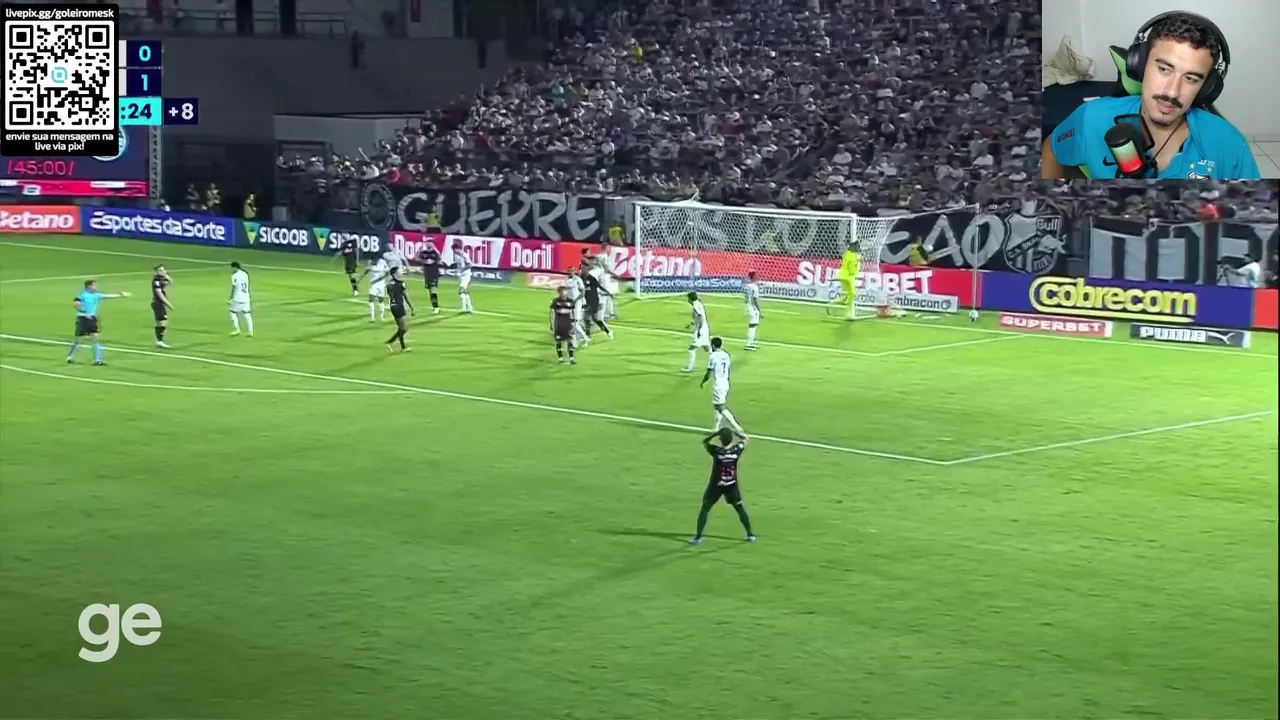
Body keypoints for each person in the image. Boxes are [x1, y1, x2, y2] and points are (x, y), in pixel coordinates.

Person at [1042, 12, 1259, 180]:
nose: (1172, 91)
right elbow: (1052, 148)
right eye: (1164, 69)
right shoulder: (1092, 118)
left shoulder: (1230, 145)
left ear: (1206, 88)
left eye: (1191, 78)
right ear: (1140, 65)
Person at [690, 427, 756, 545]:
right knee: (739, 508)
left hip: (716, 485)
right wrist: (736, 432)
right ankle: (750, 534)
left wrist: (714, 434)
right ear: (731, 439)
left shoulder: (717, 452)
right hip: (731, 485)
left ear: (720, 439)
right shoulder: (736, 450)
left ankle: (698, 537)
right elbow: (746, 439)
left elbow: (705, 442)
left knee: (705, 508)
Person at [67, 280, 130, 365]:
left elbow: (107, 296)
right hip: (82, 319)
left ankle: (98, 360)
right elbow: (76, 304)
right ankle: (70, 357)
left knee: (95, 338)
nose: (96, 287)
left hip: (92, 318)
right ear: (89, 286)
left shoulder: (96, 295)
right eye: (94, 285)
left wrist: (120, 295)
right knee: (78, 340)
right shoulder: (82, 295)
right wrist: (84, 312)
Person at [701, 337, 747, 434]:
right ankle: (716, 427)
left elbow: (708, 372)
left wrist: (703, 381)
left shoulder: (713, 356)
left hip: (718, 385)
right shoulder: (726, 355)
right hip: (725, 383)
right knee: (717, 406)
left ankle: (737, 427)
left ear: (713, 345)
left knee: (720, 407)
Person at [580, 264, 614, 341]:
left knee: (590, 318)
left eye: (583, 269)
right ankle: (590, 335)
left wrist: (608, 293)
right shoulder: (581, 279)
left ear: (587, 270)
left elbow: (599, 286)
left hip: (594, 301)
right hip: (587, 301)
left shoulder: (591, 278)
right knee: (592, 319)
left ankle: (589, 336)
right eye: (581, 269)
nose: (582, 271)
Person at [385, 267, 416, 352]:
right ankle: (389, 342)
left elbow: (390, 293)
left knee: (400, 328)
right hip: (399, 306)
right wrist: (412, 308)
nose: (401, 273)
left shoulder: (389, 284)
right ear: (395, 274)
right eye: (399, 272)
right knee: (404, 328)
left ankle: (403, 347)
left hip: (393, 306)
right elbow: (406, 296)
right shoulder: (401, 283)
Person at [683, 291, 711, 372]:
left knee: (691, 348)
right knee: (706, 348)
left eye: (688, 298)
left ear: (690, 299)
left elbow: (700, 317)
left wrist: (699, 330)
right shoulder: (698, 303)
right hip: (705, 327)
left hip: (701, 328)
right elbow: (697, 317)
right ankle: (714, 362)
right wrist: (691, 324)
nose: (687, 300)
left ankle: (690, 367)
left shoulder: (695, 305)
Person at [549, 286, 577, 364]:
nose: (564, 293)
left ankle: (571, 358)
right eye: (562, 291)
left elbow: (572, 313)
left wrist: (573, 323)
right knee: (559, 341)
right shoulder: (556, 301)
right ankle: (560, 358)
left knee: (569, 340)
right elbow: (552, 313)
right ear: (559, 293)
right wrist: (552, 324)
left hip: (568, 323)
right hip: (559, 324)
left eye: (565, 291)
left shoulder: (570, 301)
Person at [564, 266, 590, 346]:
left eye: (571, 271)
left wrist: (575, 301)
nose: (570, 272)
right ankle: (580, 339)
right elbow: (568, 292)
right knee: (573, 323)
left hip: (578, 303)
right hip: (571, 303)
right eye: (569, 271)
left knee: (575, 323)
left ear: (574, 271)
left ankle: (585, 338)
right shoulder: (567, 280)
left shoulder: (578, 280)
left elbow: (583, 292)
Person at [360, 256, 390, 321]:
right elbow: (365, 272)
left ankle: (381, 317)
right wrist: (358, 281)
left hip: (381, 285)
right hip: (373, 285)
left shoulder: (382, 262)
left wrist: (381, 278)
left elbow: (388, 271)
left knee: (381, 300)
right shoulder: (370, 263)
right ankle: (372, 318)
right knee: (371, 300)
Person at [229, 262, 254, 337]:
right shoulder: (245, 274)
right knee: (247, 313)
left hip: (238, 298)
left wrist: (230, 298)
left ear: (235, 267)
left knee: (232, 312)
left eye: (232, 268)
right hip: (246, 297)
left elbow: (234, 287)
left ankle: (237, 329)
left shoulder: (234, 276)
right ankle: (251, 331)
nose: (231, 270)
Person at [150, 264, 172, 348]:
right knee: (162, 322)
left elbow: (170, 282)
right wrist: (168, 304)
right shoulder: (156, 280)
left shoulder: (161, 278)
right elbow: (159, 294)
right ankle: (159, 341)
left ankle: (160, 340)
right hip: (158, 303)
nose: (163, 272)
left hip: (160, 304)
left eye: (163, 270)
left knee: (162, 322)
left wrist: (166, 276)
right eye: (160, 270)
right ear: (156, 272)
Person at [417, 242, 442, 314]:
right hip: (427, 273)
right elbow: (417, 259)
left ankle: (436, 307)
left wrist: (435, 249)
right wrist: (420, 252)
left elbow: (440, 259)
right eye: (427, 243)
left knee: (433, 289)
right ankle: (434, 306)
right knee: (430, 291)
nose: (429, 244)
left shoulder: (435, 252)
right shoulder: (423, 252)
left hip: (434, 273)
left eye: (430, 243)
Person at [452, 240, 475, 314]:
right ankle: (469, 307)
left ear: (458, 249)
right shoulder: (456, 255)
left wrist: (462, 269)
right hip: (461, 276)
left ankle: (464, 307)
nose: (454, 251)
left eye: (455, 250)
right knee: (465, 292)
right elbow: (457, 264)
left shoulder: (465, 255)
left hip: (466, 275)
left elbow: (469, 265)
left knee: (461, 291)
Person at [837, 246, 860, 319]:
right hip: (848, 276)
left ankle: (833, 303)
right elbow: (852, 268)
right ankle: (849, 312)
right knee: (852, 293)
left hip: (843, 276)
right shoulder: (852, 255)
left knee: (848, 295)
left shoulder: (848, 254)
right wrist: (858, 264)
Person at [743, 271, 761, 350]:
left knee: (753, 325)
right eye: (756, 275)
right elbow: (755, 299)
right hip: (752, 307)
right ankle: (749, 343)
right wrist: (759, 310)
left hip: (748, 306)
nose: (758, 276)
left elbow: (745, 298)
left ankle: (751, 342)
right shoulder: (754, 287)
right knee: (753, 325)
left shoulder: (746, 286)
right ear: (753, 277)